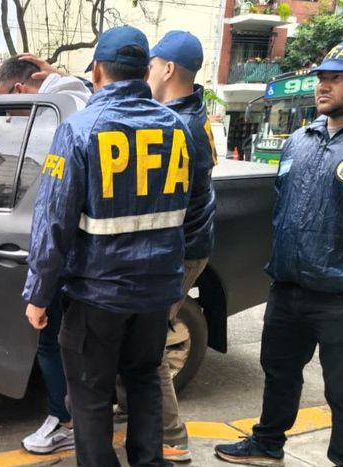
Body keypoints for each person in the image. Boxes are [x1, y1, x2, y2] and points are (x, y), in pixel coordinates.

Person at [215, 38, 343, 466]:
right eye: (321, 78)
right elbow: (284, 204)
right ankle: (267, 443)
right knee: (279, 373)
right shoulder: (302, 138)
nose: (324, 86)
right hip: (288, 286)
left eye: (337, 78)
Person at [23, 25, 196, 466]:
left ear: (98, 70)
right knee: (143, 382)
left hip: (97, 295)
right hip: (155, 294)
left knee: (91, 394)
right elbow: (191, 210)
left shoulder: (80, 130)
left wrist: (38, 294)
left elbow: (53, 223)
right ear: (144, 71)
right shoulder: (177, 128)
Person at [0, 56, 91, 455]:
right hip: (100, 261)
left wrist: (38, 290)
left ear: (19, 89)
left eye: (4, 102)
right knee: (92, 346)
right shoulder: (82, 101)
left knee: (51, 341)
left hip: (68, 258)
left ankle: (64, 419)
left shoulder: (60, 119)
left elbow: (54, 213)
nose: (6, 115)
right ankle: (83, 412)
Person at [134, 30, 217, 463]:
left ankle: (172, 440)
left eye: (147, 66)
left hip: (179, 251)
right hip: (187, 245)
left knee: (148, 349)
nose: (142, 74)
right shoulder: (183, 112)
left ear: (167, 69)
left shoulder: (177, 126)